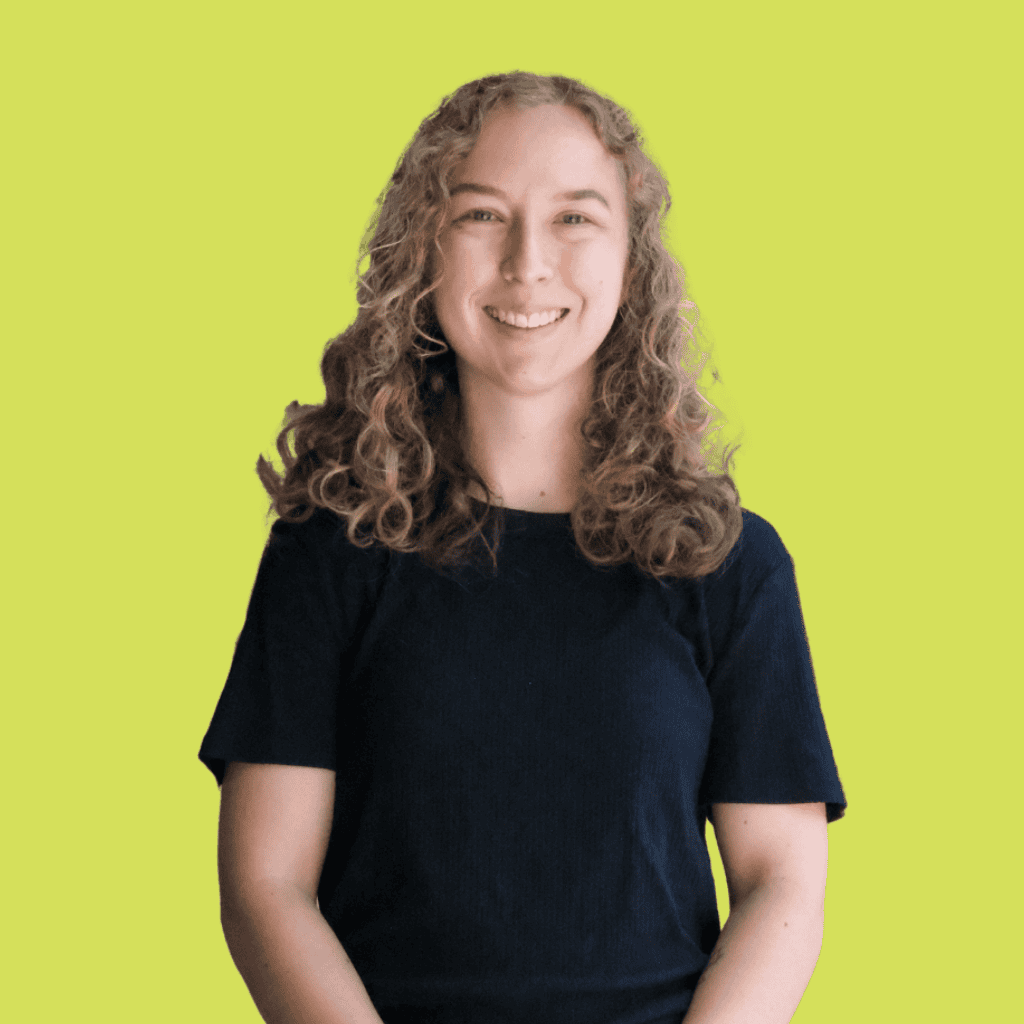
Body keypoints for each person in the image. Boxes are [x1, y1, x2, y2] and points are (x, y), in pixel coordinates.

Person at [199, 71, 847, 1024]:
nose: (527, 262)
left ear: (633, 258)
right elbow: (266, 888)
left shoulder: (728, 562)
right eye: (480, 216)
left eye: (576, 218)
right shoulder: (330, 549)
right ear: (422, 250)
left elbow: (782, 883)